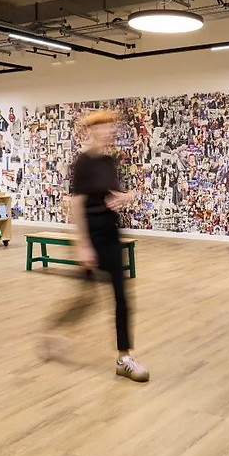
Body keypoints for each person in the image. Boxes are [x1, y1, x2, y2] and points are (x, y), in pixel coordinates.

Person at [40, 110, 149, 383]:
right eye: (103, 127)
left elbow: (116, 194)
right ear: (92, 131)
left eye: (112, 127)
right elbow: (76, 204)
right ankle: (52, 330)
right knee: (85, 299)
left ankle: (124, 358)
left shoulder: (110, 162)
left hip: (111, 233)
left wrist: (126, 197)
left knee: (122, 296)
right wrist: (83, 245)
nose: (110, 131)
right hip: (91, 235)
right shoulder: (84, 163)